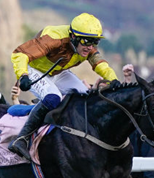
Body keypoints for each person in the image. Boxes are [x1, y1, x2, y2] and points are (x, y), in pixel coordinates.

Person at [8, 13, 118, 159]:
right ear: (73, 37)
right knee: (53, 98)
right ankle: (21, 138)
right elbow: (19, 54)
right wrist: (23, 75)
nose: (90, 47)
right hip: (34, 70)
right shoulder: (54, 38)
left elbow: (101, 65)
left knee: (85, 97)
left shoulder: (87, 46)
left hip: (58, 71)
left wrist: (115, 80)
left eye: (95, 42)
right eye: (86, 41)